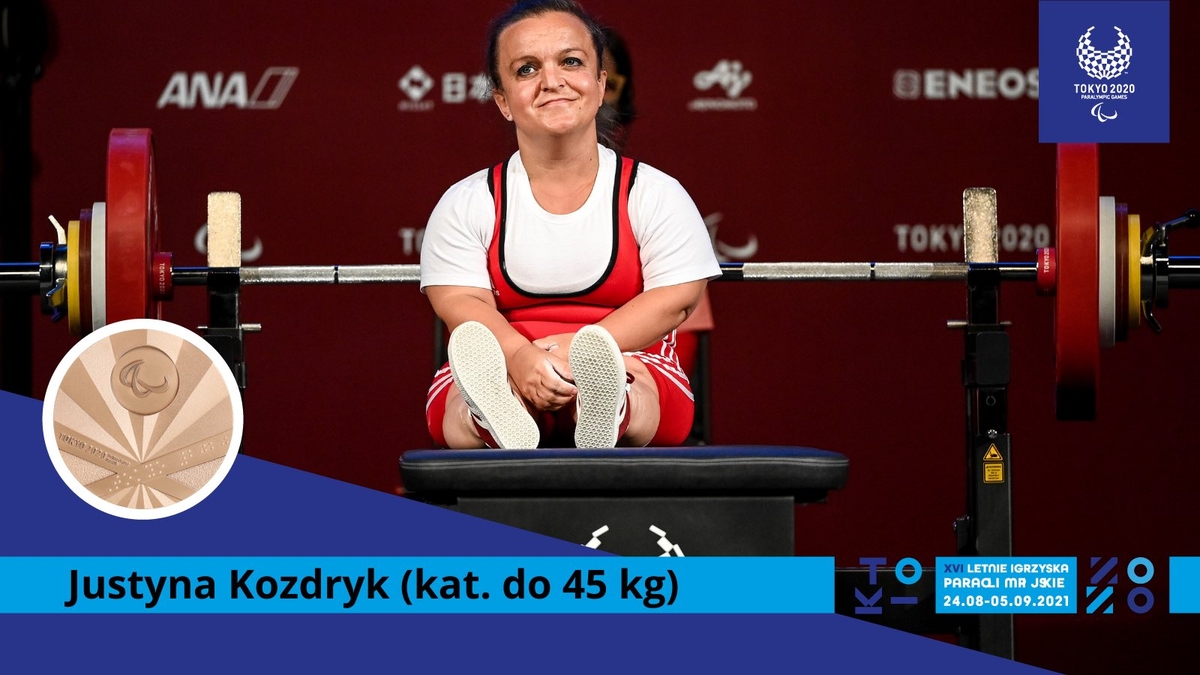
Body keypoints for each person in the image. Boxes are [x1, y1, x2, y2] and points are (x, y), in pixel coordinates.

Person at [420, 0, 720, 449]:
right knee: (459, 406)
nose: (551, 81)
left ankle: (610, 405)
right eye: (526, 69)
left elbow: (675, 301)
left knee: (636, 385)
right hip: (504, 361)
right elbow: (459, 301)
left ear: (600, 85)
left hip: (629, 358)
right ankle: (491, 416)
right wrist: (520, 358)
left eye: (571, 62)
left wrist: (574, 355)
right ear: (502, 100)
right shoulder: (466, 203)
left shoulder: (656, 193)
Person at [599, 25, 716, 381]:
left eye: (607, 84)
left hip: (635, 378)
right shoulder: (491, 199)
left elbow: (678, 356)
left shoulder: (658, 198)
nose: (590, 97)